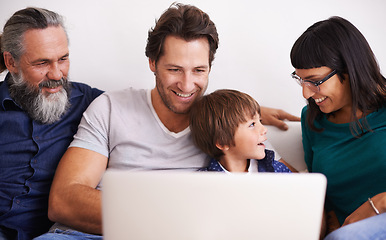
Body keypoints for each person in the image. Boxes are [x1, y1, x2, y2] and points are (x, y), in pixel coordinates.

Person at [35, 3, 301, 239]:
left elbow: (297, 192)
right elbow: (64, 200)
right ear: (152, 62)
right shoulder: (110, 107)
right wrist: (168, 216)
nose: (187, 85)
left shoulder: (226, 121)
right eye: (174, 69)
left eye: (199, 70)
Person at [0, 7, 103, 240]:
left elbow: (148, 111)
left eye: (63, 59)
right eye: (42, 63)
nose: (57, 74)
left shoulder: (91, 102)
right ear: (11, 62)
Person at [290, 16, 386, 239]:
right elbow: (320, 192)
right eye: (300, 79)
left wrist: (378, 203)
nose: (306, 93)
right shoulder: (312, 119)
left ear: (348, 70)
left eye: (314, 81)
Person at [190, 89, 291, 173]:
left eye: (260, 121)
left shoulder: (276, 170)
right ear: (222, 142)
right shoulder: (203, 181)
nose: (264, 129)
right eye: (252, 124)